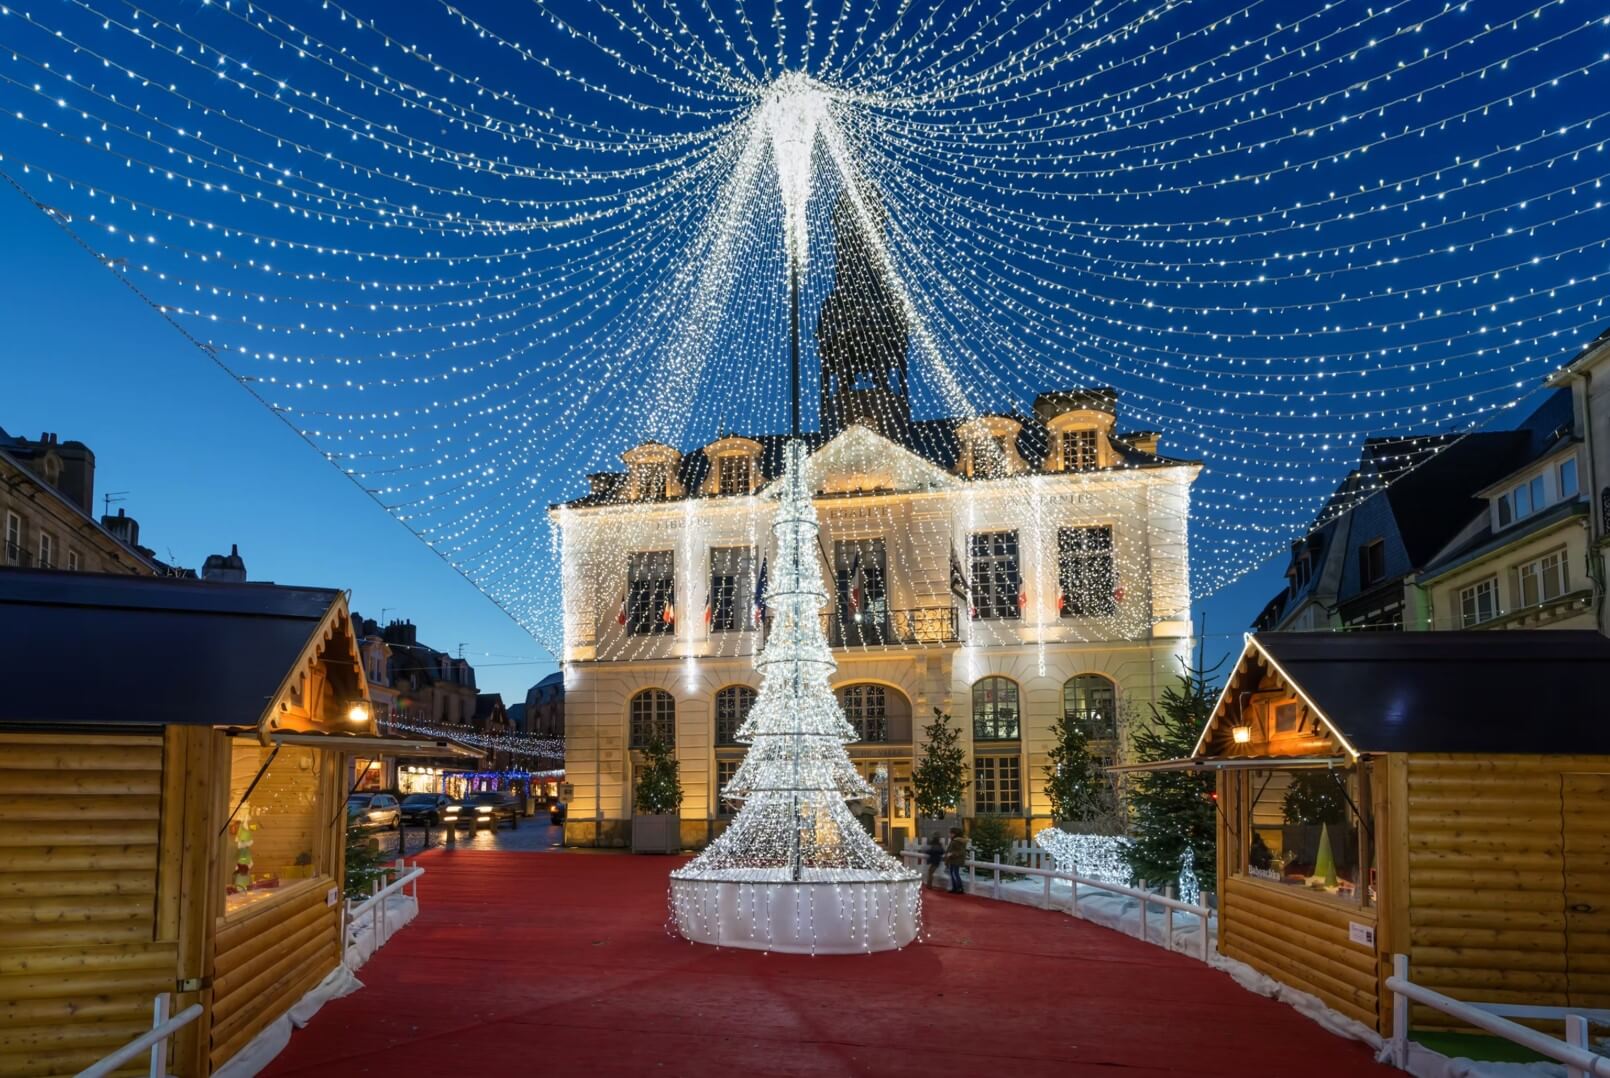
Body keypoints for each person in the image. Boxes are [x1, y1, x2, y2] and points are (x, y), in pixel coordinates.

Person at [944, 827, 967, 893]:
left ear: (954, 834)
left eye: (951, 833)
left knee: (955, 873)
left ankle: (959, 888)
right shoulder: (954, 840)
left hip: (956, 860)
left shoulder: (957, 841)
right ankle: (955, 887)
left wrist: (951, 854)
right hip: (953, 860)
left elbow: (961, 851)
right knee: (952, 873)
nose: (949, 834)